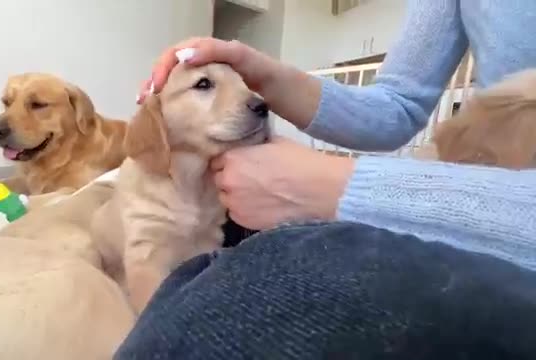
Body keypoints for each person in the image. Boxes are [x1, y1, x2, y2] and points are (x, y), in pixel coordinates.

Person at [117, 1, 536, 358]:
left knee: (253, 298)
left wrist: (338, 188)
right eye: (205, 85)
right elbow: (398, 105)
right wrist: (265, 73)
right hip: (477, 196)